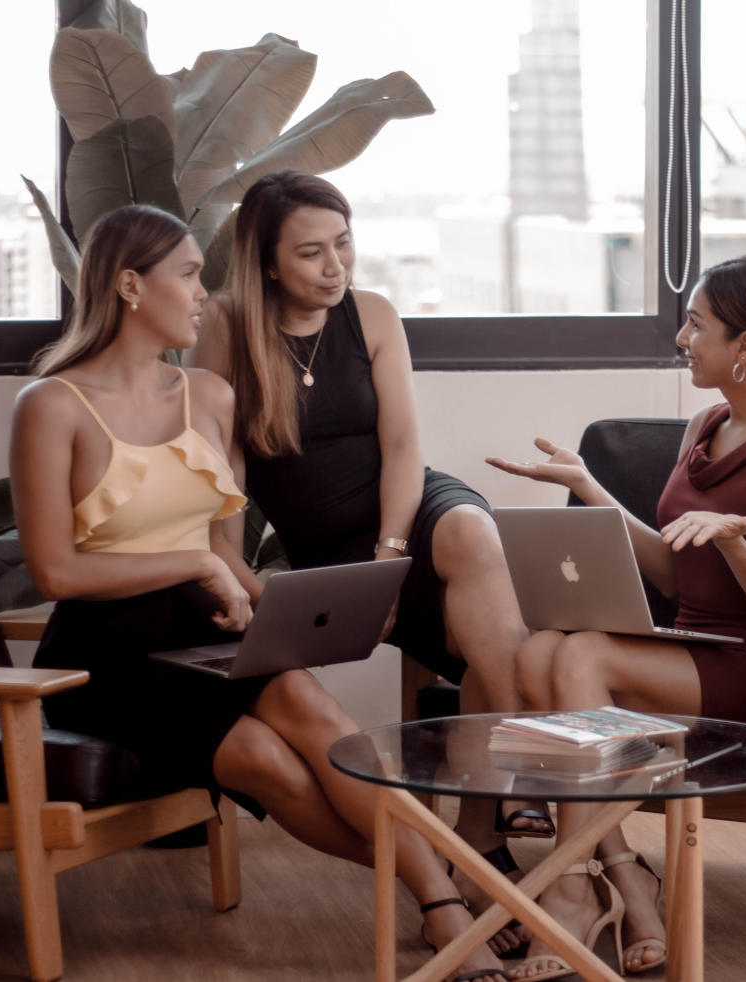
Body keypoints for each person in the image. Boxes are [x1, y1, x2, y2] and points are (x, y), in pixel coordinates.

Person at [12, 204, 507, 982]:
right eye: (187, 275)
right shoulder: (49, 407)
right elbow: (57, 574)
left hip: (202, 626)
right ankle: (450, 894)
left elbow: (220, 549)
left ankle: (442, 897)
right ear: (131, 286)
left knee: (315, 714)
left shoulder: (206, 394)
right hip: (105, 656)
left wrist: (268, 602)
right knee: (264, 763)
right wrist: (197, 570)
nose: (206, 293)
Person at [188, 170, 540, 956]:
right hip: (325, 553)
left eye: (343, 243)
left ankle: (498, 807)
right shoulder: (230, 327)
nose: (334, 266)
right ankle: (473, 854)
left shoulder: (372, 315)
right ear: (268, 262)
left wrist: (390, 557)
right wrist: (236, 573)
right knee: (494, 635)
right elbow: (225, 477)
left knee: (476, 542)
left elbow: (405, 446)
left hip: (406, 514)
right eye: (310, 252)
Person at [487, 255, 746, 979]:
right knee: (536, 655)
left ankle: (569, 891)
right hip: (697, 645)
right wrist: (590, 488)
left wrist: (737, 545)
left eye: (697, 324)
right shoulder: (705, 425)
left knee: (582, 656)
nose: (684, 337)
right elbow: (673, 569)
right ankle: (626, 883)